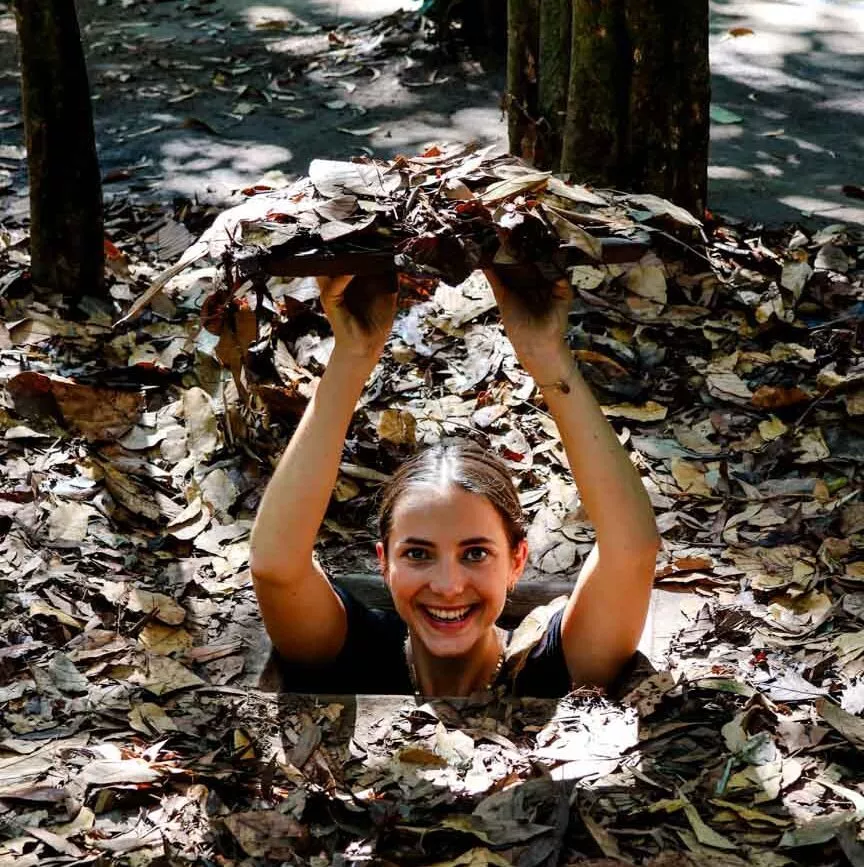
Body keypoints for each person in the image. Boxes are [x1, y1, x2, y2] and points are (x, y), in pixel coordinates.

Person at [249, 270, 660, 698]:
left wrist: (548, 356)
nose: (448, 586)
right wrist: (353, 355)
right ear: (384, 563)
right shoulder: (357, 654)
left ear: (517, 562)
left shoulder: (555, 666)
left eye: (476, 553)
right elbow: (276, 563)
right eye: (418, 553)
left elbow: (631, 549)